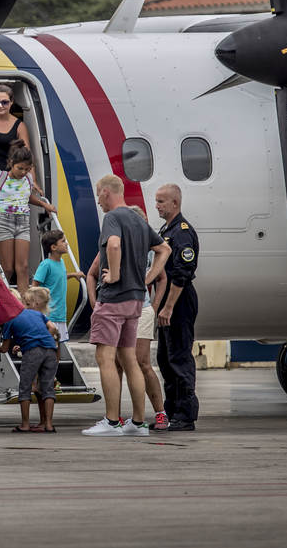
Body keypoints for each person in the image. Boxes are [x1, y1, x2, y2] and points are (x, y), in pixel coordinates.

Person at [82, 175, 169, 438]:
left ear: (106, 192)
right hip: (135, 300)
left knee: (105, 358)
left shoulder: (113, 217)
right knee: (130, 360)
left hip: (114, 298)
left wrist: (115, 274)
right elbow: (164, 249)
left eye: (98, 194)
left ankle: (111, 422)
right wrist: (147, 279)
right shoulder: (138, 220)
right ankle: (139, 423)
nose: (98, 201)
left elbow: (114, 243)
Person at [0, 142, 56, 294]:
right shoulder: (0, 176)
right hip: (3, 221)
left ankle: (23, 303)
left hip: (23, 221)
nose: (23, 172)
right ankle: (0, 297)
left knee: (23, 267)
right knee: (8, 268)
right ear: (11, 163)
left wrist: (44, 205)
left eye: (27, 169)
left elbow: (26, 197)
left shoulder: (28, 178)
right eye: (20, 168)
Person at [155, 183, 201, 431]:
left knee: (179, 357)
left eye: (161, 201)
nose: (157, 206)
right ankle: (172, 411)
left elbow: (183, 272)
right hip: (167, 300)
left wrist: (169, 307)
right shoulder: (166, 230)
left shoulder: (182, 232)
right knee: (165, 358)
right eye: (157, 201)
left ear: (175, 203)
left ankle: (185, 415)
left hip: (179, 300)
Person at [0, 287, 60, 433]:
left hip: (32, 352)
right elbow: (52, 328)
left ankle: (25, 424)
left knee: (25, 387)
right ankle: (48, 425)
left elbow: (4, 348)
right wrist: (40, 339)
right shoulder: (36, 313)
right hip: (50, 348)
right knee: (47, 388)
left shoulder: (9, 319)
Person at [32, 229, 84, 342]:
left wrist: (73, 275)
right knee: (49, 345)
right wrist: (36, 308)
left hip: (61, 315)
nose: (66, 244)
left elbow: (58, 277)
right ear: (54, 247)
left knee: (58, 345)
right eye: (63, 241)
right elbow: (35, 285)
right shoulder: (46, 265)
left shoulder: (61, 262)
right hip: (49, 314)